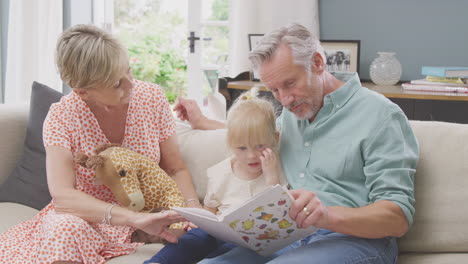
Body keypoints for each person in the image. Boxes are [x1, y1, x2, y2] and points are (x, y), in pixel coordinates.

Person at [174, 23, 419, 264]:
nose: (285, 100)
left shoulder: (381, 115)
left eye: (290, 84)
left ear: (318, 63)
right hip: (286, 238)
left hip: (354, 240)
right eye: (275, 90)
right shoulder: (294, 113)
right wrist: (203, 121)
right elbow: (256, 136)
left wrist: (326, 215)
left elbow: (397, 218)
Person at [0, 24, 207, 264]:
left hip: (151, 214)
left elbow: (175, 168)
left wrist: (193, 208)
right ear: (83, 92)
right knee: (63, 229)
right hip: (91, 218)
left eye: (128, 71)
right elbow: (64, 196)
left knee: (196, 236)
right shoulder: (61, 117)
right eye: (116, 83)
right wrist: (130, 218)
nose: (131, 84)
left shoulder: (152, 97)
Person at [145, 88, 287, 264]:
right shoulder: (221, 172)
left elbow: (279, 213)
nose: (251, 156)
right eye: (242, 148)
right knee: (193, 239)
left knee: (238, 251)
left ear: (275, 138)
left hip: (251, 240)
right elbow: (210, 210)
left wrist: (271, 178)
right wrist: (199, 221)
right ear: (231, 144)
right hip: (219, 233)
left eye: (260, 146)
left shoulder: (277, 168)